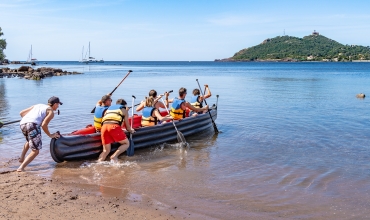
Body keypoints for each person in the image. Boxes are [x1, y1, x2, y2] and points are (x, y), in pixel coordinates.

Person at [17, 96, 62, 172]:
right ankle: (21, 168)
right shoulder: (51, 112)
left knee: (29, 141)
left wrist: (30, 118)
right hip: (32, 125)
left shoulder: (38, 105)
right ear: (55, 104)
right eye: (58, 104)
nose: (58, 106)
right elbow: (44, 125)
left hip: (22, 124)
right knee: (36, 151)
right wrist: (50, 135)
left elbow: (21, 113)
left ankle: (22, 158)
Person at [98, 98, 135, 162]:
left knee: (106, 150)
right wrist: (131, 130)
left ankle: (99, 162)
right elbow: (127, 127)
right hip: (113, 127)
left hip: (104, 127)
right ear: (124, 105)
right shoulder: (124, 110)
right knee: (126, 143)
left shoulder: (108, 109)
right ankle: (114, 156)